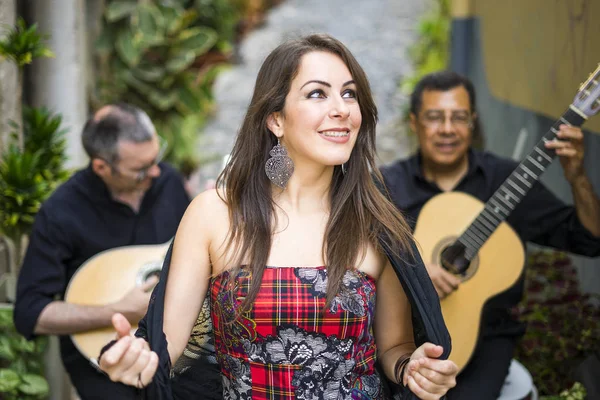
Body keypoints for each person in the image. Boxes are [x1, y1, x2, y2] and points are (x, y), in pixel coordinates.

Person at [98, 34, 458, 400]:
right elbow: (166, 345)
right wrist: (136, 360)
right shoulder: (215, 214)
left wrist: (412, 368)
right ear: (275, 120)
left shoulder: (376, 222)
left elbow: (394, 346)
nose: (342, 109)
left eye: (349, 94)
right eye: (317, 93)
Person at [380, 70, 600, 399]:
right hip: (402, 335)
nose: (447, 129)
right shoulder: (386, 187)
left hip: (485, 339)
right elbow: (352, 260)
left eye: (459, 117)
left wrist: (578, 177)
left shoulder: (507, 180)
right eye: (434, 117)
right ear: (414, 122)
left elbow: (589, 239)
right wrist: (415, 274)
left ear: (473, 122)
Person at [13, 103, 191, 399]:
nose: (156, 171)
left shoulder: (168, 182)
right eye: (140, 169)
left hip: (175, 345)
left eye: (156, 158)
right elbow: (31, 312)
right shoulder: (61, 212)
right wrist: (117, 311)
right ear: (101, 167)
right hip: (102, 359)